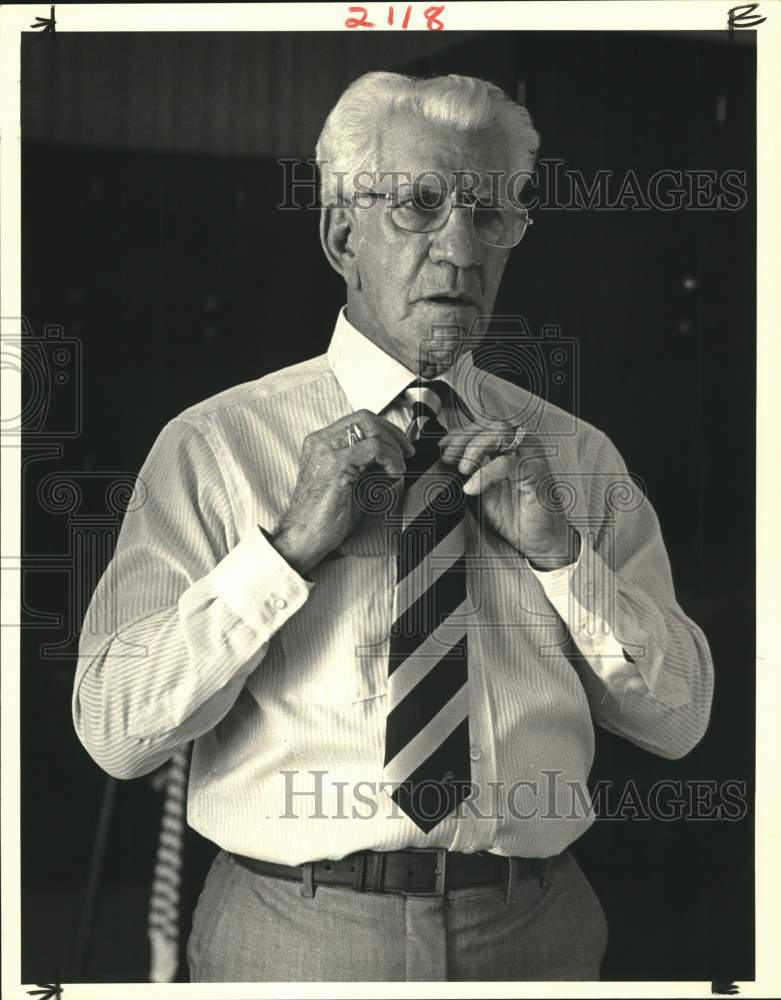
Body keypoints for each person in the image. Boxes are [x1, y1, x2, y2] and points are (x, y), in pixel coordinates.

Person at [72, 71, 714, 983]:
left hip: (539, 934)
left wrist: (561, 557)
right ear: (342, 234)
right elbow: (116, 728)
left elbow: (680, 719)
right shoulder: (215, 444)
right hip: (294, 937)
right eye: (419, 205)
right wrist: (284, 551)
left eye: (490, 215)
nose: (459, 248)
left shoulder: (576, 456)